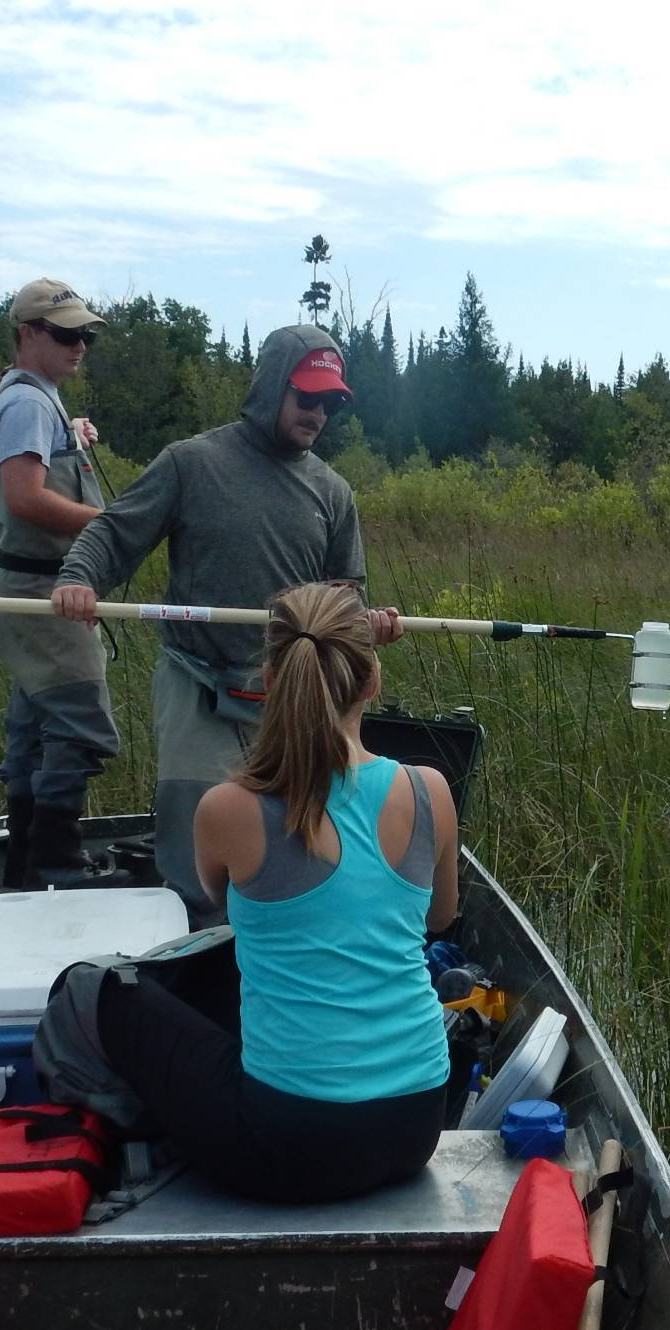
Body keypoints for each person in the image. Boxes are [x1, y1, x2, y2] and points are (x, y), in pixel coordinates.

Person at [93, 582, 458, 1202]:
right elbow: (441, 918)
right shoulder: (431, 791)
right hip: (419, 1120)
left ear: (268, 679)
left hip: (294, 1143)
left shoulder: (227, 808)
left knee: (102, 992)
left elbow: (211, 893)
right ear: (371, 682)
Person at [52, 325, 403, 923]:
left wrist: (365, 624)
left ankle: (274, 941)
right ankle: (195, 947)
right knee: (199, 830)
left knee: (295, 825)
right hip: (198, 681)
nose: (317, 413)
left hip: (291, 691)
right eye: (306, 397)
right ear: (271, 389)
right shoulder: (191, 463)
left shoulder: (333, 492)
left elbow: (347, 596)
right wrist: (78, 580)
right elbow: (114, 532)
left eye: (328, 403)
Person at [0, 278, 121, 886]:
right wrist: (116, 525)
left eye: (85, 333)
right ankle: (58, 860)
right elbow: (25, 499)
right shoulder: (30, 404)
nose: (79, 345)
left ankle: (24, 861)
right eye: (65, 334)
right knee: (80, 720)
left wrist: (72, 433)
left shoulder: (32, 398)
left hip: (26, 587)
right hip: (42, 590)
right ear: (28, 334)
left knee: (35, 722)